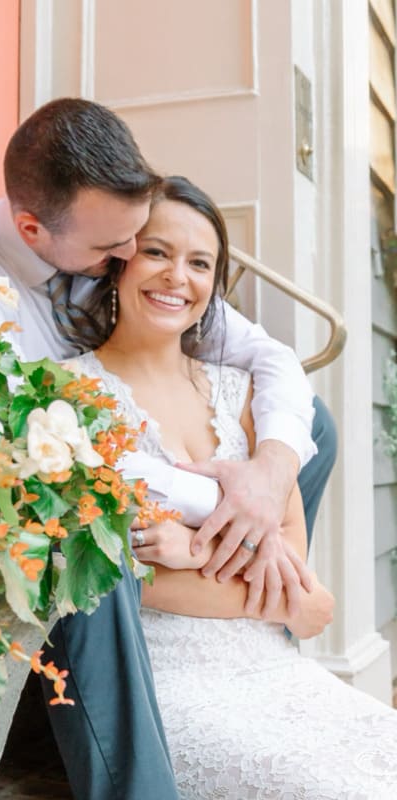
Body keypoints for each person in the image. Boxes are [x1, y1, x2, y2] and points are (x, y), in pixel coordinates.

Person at [0, 98, 336, 799]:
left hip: (148, 501)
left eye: (143, 239)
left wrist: (265, 479)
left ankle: (251, 612)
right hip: (40, 500)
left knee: (312, 425)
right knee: (84, 521)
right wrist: (229, 510)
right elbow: (40, 449)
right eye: (119, 251)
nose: (134, 258)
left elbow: (272, 359)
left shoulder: (121, 242)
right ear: (32, 231)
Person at [66, 175, 397, 797]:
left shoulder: (243, 391)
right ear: (117, 259)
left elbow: (293, 555)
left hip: (275, 671)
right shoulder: (70, 398)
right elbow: (128, 582)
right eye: (157, 252)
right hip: (168, 686)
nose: (176, 277)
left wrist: (197, 551)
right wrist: (277, 592)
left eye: (200, 263)